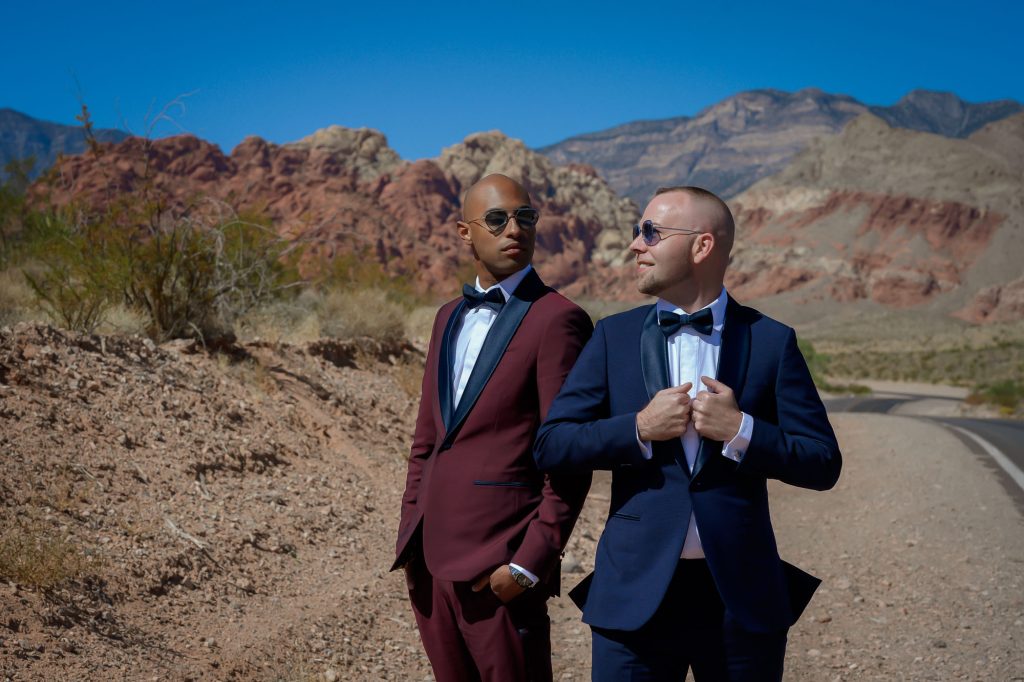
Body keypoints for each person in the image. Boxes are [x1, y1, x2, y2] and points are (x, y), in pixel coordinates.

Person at [533, 186, 842, 681]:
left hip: (739, 598)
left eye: (651, 232)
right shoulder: (612, 336)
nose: (636, 244)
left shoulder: (771, 340)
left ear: (702, 246)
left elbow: (823, 462)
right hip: (634, 596)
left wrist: (742, 431)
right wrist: (637, 428)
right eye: (638, 232)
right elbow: (553, 444)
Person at [392, 173, 594, 681]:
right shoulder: (446, 317)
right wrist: (411, 533)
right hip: (431, 565)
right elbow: (428, 440)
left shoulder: (558, 320)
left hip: (499, 570)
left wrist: (529, 564)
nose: (515, 229)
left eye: (526, 218)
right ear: (465, 232)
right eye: (499, 219)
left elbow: (569, 456)